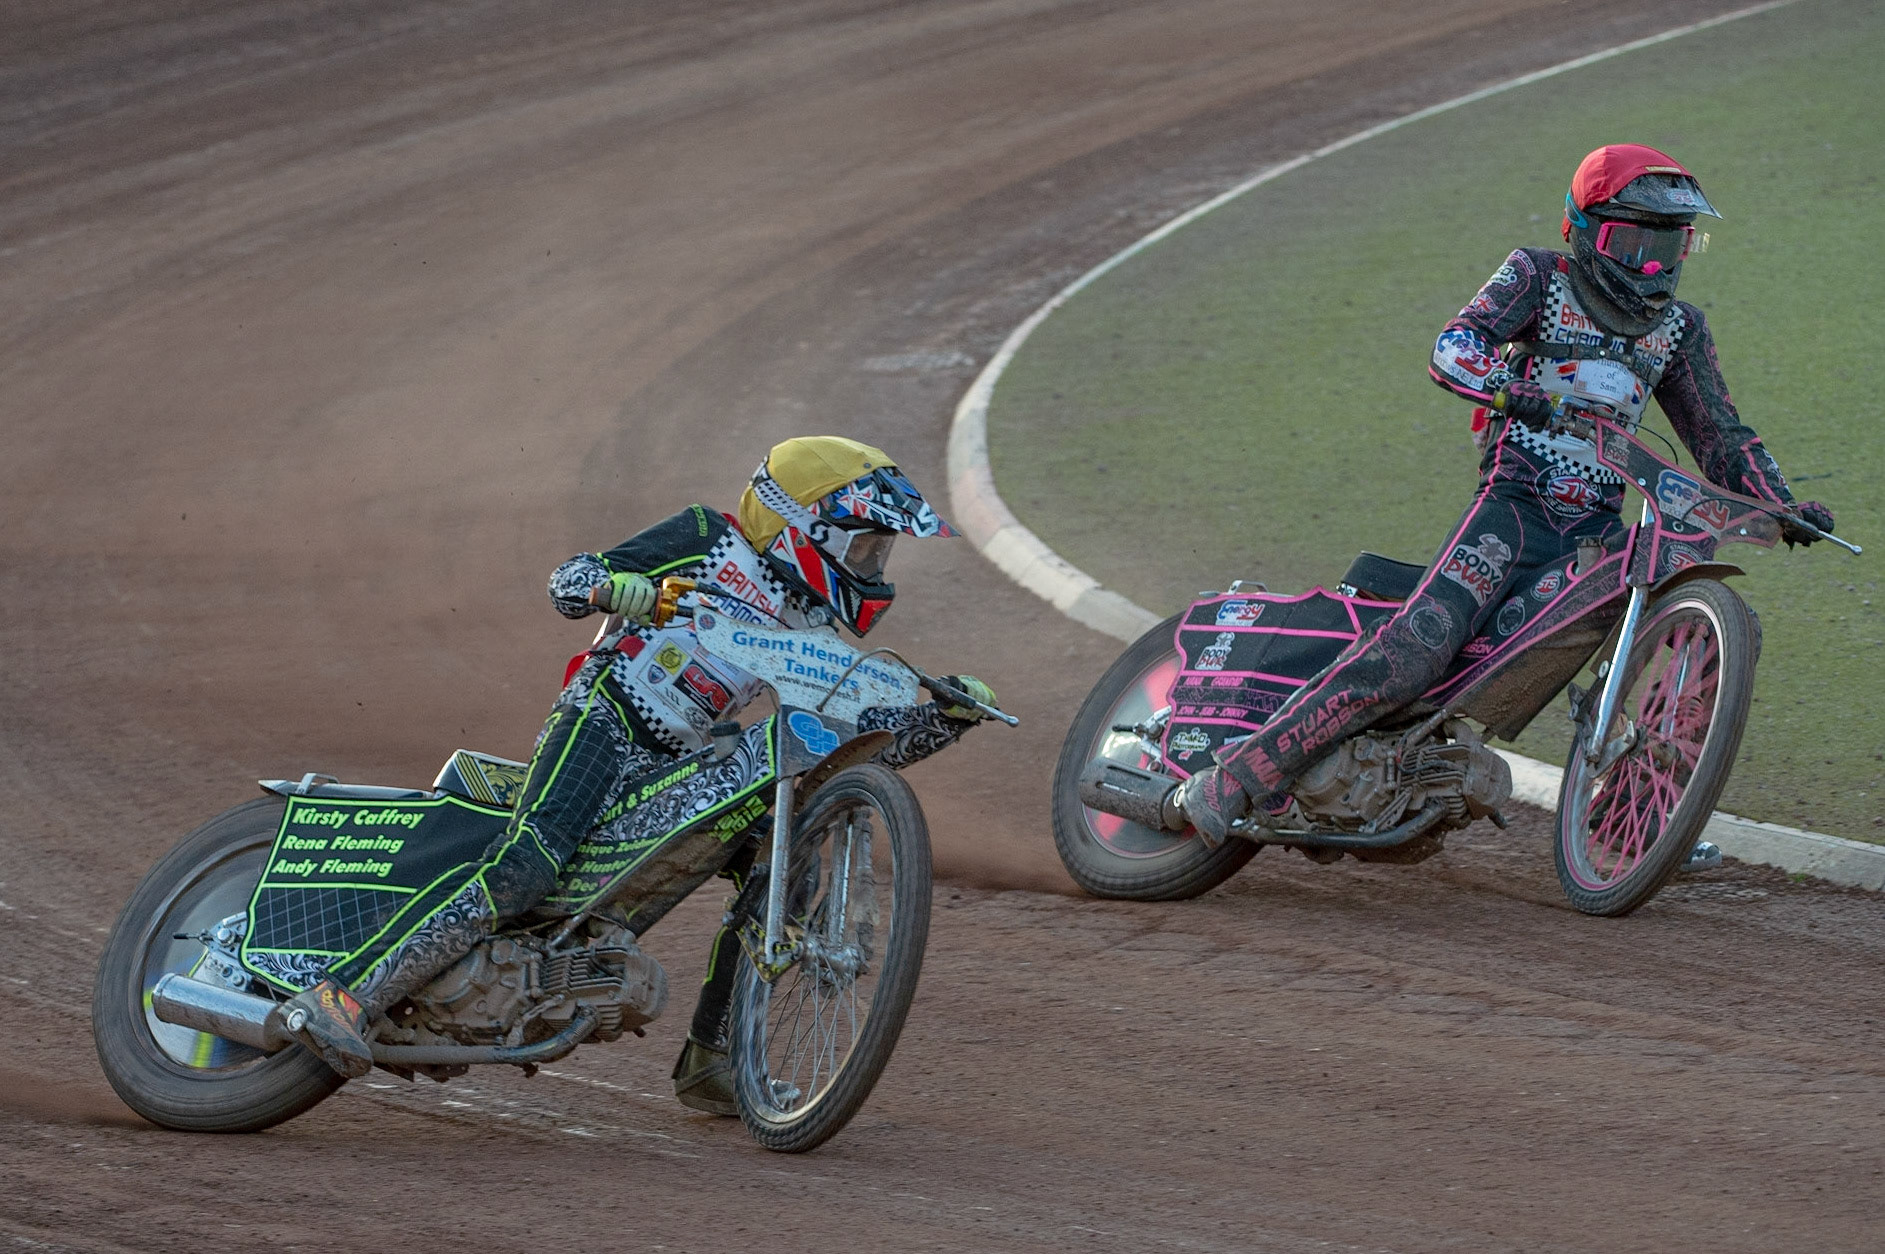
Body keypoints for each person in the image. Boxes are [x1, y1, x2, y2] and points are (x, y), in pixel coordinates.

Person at [280, 436, 997, 1108]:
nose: (874, 567)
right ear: (805, 528)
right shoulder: (708, 537)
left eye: (880, 552)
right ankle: (343, 994)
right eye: (866, 547)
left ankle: (713, 1060)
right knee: (530, 865)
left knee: (787, 861)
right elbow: (570, 580)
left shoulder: (812, 631)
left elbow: (849, 755)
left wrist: (941, 719)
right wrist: (623, 592)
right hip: (606, 713)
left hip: (678, 760)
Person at [1180, 144, 1835, 840]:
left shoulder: (1680, 330)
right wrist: (1510, 390)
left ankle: (1641, 831)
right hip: (1510, 512)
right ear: (1582, 231)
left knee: (1696, 632)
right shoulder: (1538, 276)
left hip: (1597, 532)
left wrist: (1781, 503)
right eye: (1631, 241)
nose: (1651, 265)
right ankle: (1232, 778)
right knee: (1416, 651)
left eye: (1668, 245)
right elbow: (1454, 344)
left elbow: (1720, 435)